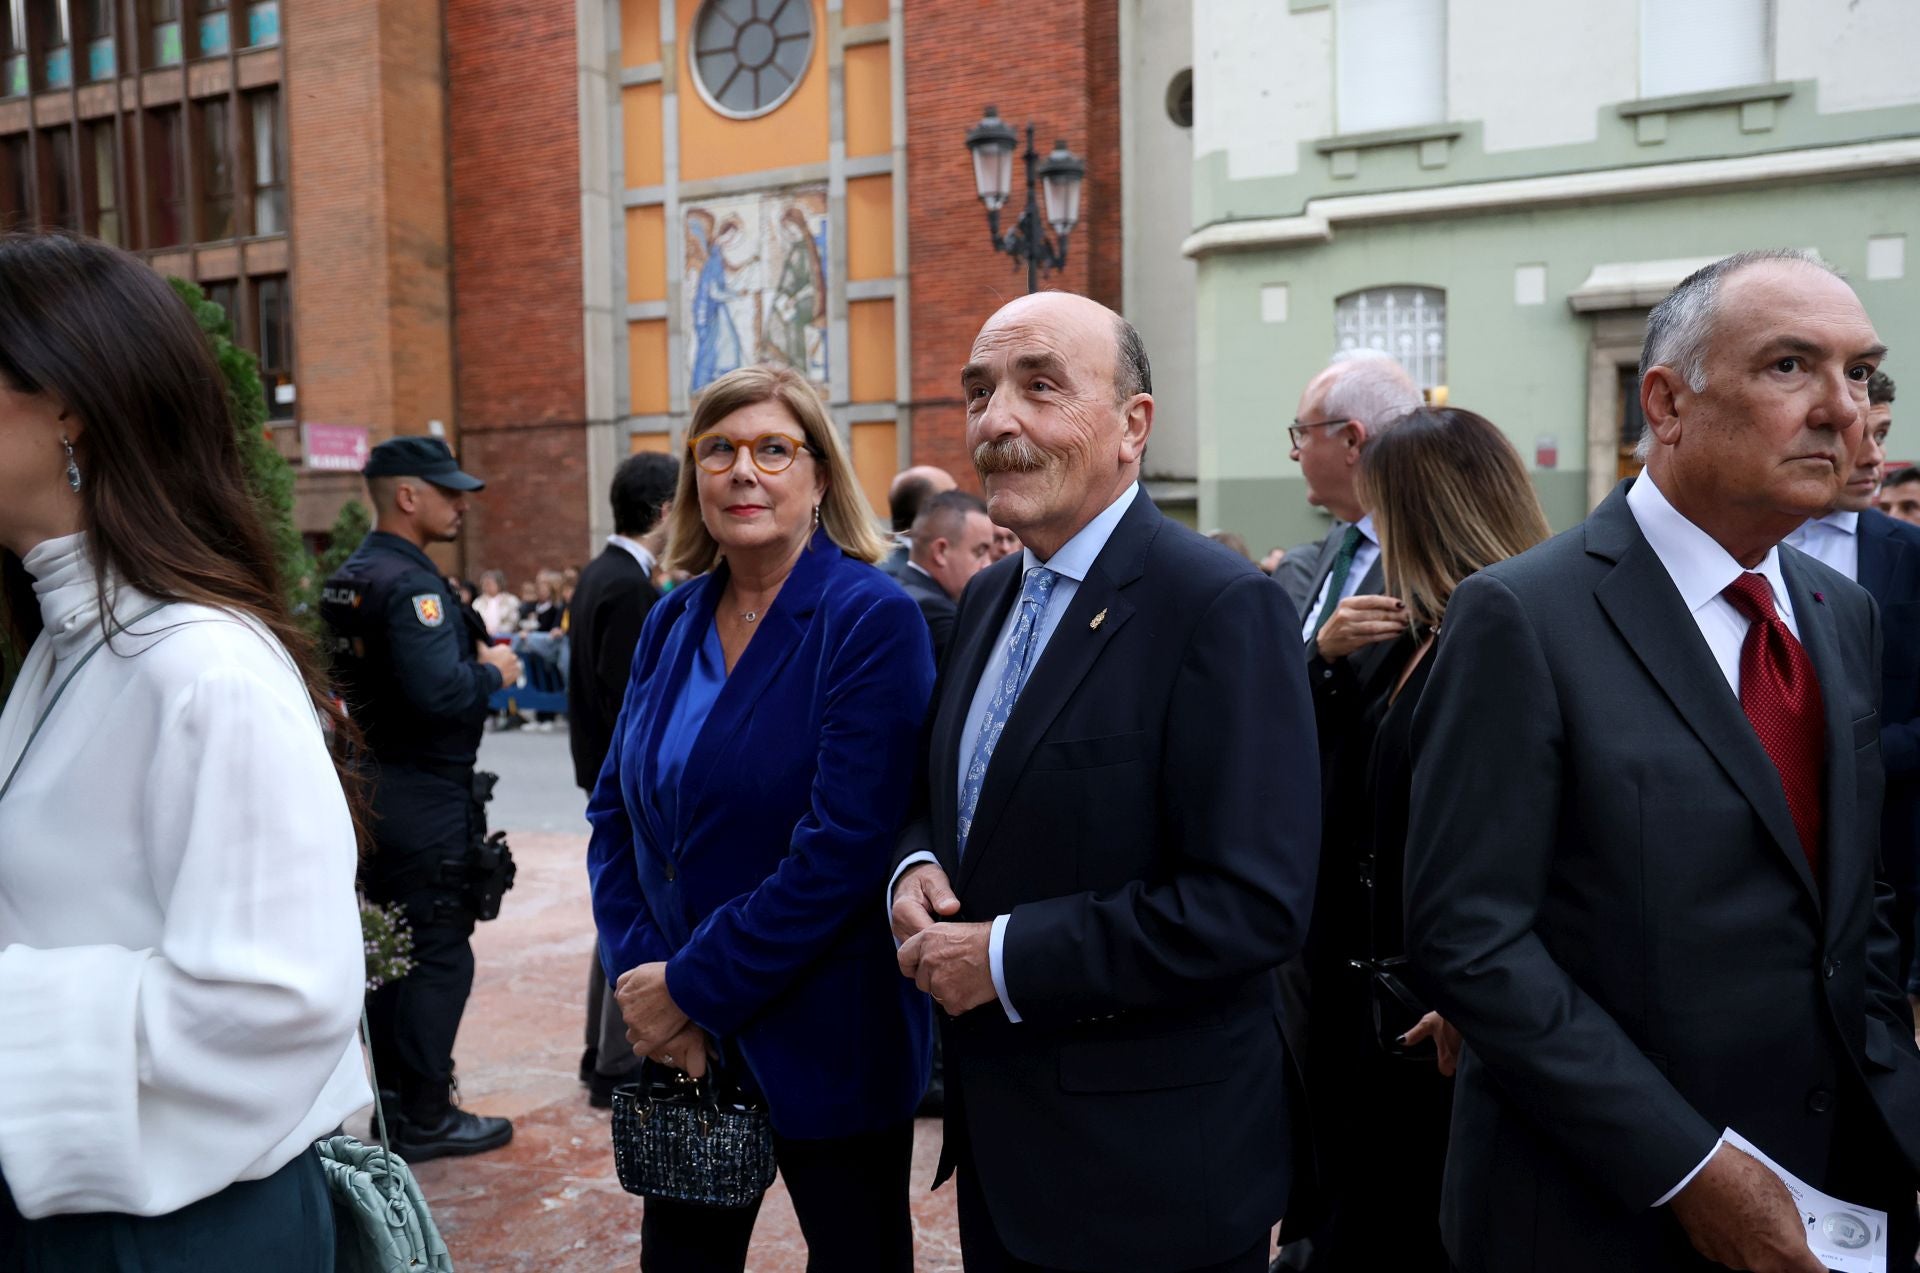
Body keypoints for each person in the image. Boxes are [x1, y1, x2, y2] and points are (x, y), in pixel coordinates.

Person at [1403, 249, 1920, 1273]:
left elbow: (1856, 908)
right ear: (1668, 404)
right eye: (1790, 367)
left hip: (1834, 1197)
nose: (1844, 410)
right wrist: (1695, 1170)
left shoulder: (1840, 613)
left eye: (1861, 373)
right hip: (1596, 1215)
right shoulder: (1521, 614)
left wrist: (1895, 1114)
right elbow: (1470, 937)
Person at [890, 291, 1321, 1273]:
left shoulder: (1219, 608)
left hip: (1149, 1178)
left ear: (1134, 426)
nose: (996, 420)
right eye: (980, 392)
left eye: (1040, 387)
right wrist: (914, 861)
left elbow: (1250, 904)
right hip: (1004, 1156)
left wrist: (1000, 957)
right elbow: (956, 795)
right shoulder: (995, 590)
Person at [0, 233, 367, 1265]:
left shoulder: (203, 666)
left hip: (175, 1228)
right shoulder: (70, 646)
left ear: (69, 402)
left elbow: (276, 997)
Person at [587, 365, 935, 1272]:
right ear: (694, 480)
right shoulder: (671, 620)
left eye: (773, 449)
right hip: (682, 1036)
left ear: (819, 475)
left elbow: (844, 849)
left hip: (827, 1027)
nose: (744, 471)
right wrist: (645, 985)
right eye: (719, 450)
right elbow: (614, 814)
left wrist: (693, 984)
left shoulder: (871, 618)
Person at [1296, 408, 1550, 1272]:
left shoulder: (1508, 636)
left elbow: (1535, 835)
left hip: (1432, 1021)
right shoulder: (1406, 631)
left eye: (1383, 510)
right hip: (1361, 1008)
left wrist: (1473, 989)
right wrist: (1322, 664)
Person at [322, 435, 522, 1162]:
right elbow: (441, 695)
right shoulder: (413, 585)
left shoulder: (348, 576)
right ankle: (427, 1113)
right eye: (447, 490)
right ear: (408, 496)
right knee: (437, 950)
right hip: (424, 789)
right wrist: (494, 670)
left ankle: (400, 1106)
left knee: (392, 950)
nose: (461, 502)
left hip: (371, 784)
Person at [1785, 364, 1920, 1010]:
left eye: (1882, 432)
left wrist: (1857, 760)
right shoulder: (1752, 546)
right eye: (1857, 432)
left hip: (1890, 836)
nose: (1871, 456)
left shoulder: (1908, 555)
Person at [570, 450, 680, 1106]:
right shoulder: (630, 587)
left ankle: (600, 1052)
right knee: (629, 916)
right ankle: (615, 1058)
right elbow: (631, 702)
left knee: (611, 916)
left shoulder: (600, 574)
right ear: (664, 510)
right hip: (623, 783)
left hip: (600, 770)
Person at [898, 489, 994, 665]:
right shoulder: (936, 613)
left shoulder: (898, 588)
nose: (987, 564)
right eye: (980, 551)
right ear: (940, 551)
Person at [881, 464, 958, 575]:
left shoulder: (889, 565)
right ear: (931, 512)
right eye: (954, 497)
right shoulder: (900, 577)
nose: (962, 505)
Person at [474, 568, 518, 635]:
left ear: (499, 584)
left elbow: (513, 621)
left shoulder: (510, 600)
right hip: (484, 636)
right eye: (485, 584)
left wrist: (498, 631)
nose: (487, 586)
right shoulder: (478, 602)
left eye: (490, 583)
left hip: (505, 636)